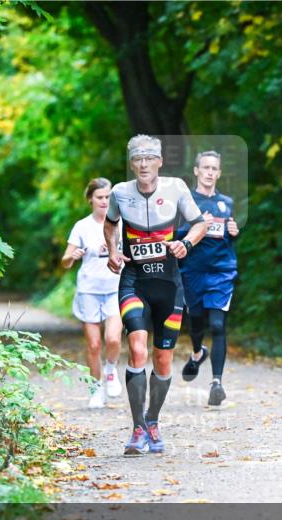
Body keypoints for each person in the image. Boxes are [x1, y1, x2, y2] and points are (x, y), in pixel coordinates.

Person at [104, 135, 210, 455]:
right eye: (138, 158)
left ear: (160, 162)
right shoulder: (119, 193)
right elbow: (110, 226)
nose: (144, 163)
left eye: (150, 157)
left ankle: (152, 419)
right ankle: (137, 429)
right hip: (134, 280)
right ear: (131, 163)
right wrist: (112, 250)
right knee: (137, 346)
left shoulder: (176, 187)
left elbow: (199, 224)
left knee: (163, 359)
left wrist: (185, 244)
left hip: (169, 282)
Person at [178, 150, 240, 406]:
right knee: (196, 322)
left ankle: (217, 383)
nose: (210, 173)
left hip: (221, 272)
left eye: (214, 169)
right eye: (205, 168)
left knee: (217, 324)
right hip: (192, 270)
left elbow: (226, 237)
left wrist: (234, 233)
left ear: (219, 173)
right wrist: (196, 225)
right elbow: (175, 235)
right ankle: (196, 353)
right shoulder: (185, 201)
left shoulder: (226, 203)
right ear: (196, 171)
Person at [61, 177, 123, 408]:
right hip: (88, 290)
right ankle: (96, 389)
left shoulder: (121, 224)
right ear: (90, 200)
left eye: (108, 197)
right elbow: (65, 262)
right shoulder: (82, 226)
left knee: (114, 338)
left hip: (115, 288)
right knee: (94, 345)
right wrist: (72, 256)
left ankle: (110, 369)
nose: (105, 201)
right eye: (100, 197)